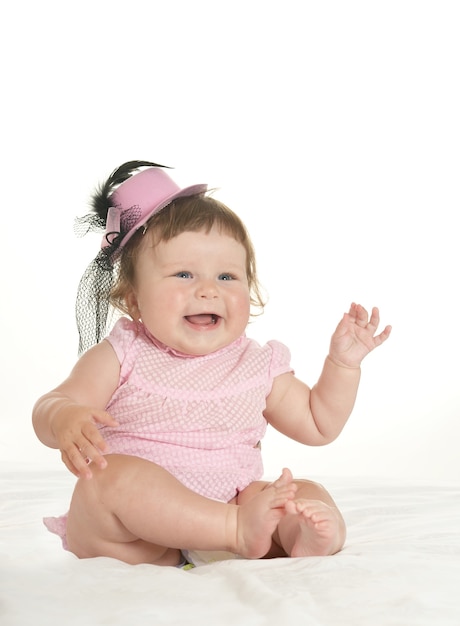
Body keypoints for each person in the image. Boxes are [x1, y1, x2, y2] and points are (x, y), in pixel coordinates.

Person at [32, 160, 391, 567]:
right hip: (134, 539)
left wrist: (342, 367)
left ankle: (301, 535)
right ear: (133, 298)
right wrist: (62, 416)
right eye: (184, 274)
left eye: (226, 277)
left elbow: (318, 422)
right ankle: (235, 531)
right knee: (106, 481)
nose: (207, 291)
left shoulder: (255, 364)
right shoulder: (123, 353)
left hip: (231, 505)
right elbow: (55, 401)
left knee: (301, 492)